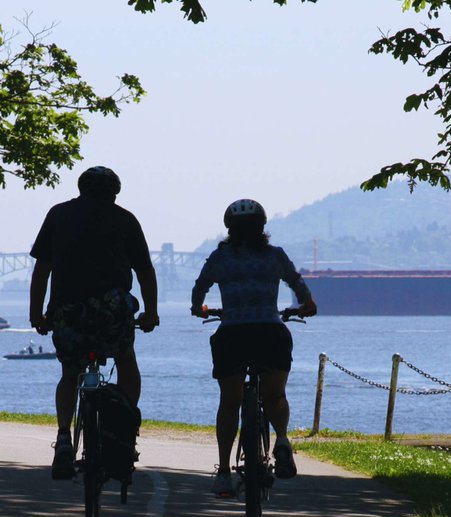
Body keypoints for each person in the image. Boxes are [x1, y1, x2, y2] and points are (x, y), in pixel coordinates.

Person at [29, 166, 159, 479]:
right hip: (110, 310)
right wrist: (151, 313)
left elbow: (42, 270)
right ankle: (126, 428)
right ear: (115, 192)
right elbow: (144, 271)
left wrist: (37, 314)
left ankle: (63, 437)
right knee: (125, 359)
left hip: (68, 309)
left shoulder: (58, 215)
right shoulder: (125, 219)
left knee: (69, 373)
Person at [190, 198, 317, 498]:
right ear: (262, 227)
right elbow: (297, 285)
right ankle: (283, 440)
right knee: (274, 396)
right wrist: (308, 305)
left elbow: (199, 289)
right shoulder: (275, 255)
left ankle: (223, 473)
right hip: (269, 332)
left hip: (232, 335)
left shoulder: (219, 258)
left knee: (230, 402)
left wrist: (200, 308)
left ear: (230, 230)